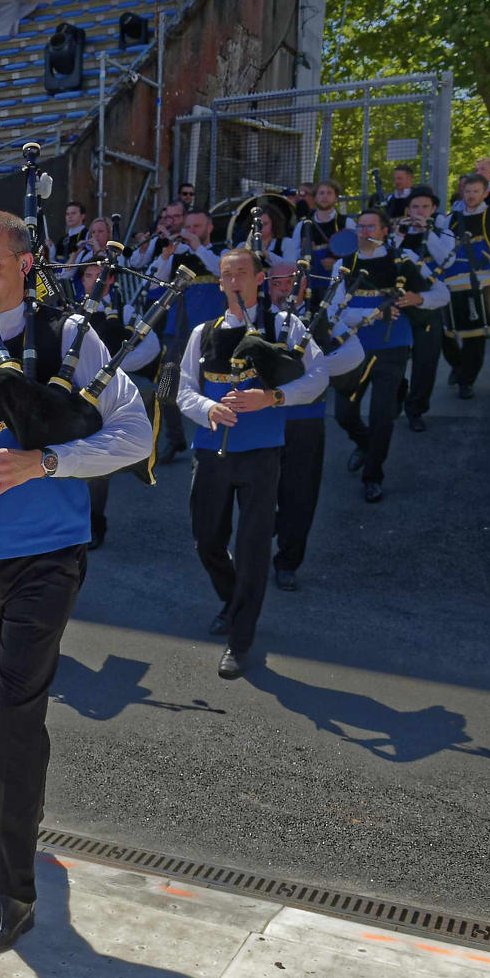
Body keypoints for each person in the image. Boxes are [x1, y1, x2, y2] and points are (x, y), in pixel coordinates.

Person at [0, 210, 152, 957]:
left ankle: (10, 891)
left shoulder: (72, 340)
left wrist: (42, 463)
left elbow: (134, 434)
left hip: (48, 558)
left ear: (22, 265)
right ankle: (22, 795)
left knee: (14, 717)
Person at [177, 248, 328, 678]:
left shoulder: (285, 325)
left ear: (260, 279)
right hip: (211, 452)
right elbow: (183, 388)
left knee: (253, 548)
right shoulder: (203, 332)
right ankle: (233, 599)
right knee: (207, 539)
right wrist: (207, 409)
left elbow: (318, 377)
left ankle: (239, 639)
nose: (235, 280)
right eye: (227, 275)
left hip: (262, 454)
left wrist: (274, 397)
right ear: (221, 282)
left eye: (243, 273)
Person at [326, 209, 450, 502]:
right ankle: (365, 443)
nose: (365, 231)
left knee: (383, 415)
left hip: (393, 345)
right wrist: (372, 313)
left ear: (384, 231)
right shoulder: (344, 264)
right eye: (361, 226)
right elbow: (332, 311)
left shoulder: (402, 258)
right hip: (352, 347)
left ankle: (373, 475)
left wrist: (419, 298)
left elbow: (442, 294)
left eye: (371, 226)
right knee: (343, 413)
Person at [269, 260, 364, 591]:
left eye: (292, 282)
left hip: (305, 420)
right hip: (261, 421)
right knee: (259, 491)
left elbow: (354, 354)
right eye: (278, 282)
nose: (285, 288)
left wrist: (311, 369)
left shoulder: (323, 317)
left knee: (300, 494)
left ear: (304, 285)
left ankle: (288, 560)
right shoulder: (254, 317)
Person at [75, 261, 161, 549]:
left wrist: (114, 369)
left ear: (109, 281)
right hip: (76, 393)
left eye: (99, 276)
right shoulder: (72, 310)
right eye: (88, 275)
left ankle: (95, 524)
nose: (94, 281)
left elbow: (151, 346)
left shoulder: (125, 310)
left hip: (109, 394)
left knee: (97, 463)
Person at [149, 209, 226, 462]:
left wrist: (197, 247)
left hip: (214, 332)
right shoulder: (177, 255)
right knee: (166, 387)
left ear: (209, 228)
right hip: (179, 330)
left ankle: (213, 443)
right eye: (188, 226)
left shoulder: (223, 252)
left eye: (197, 226)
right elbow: (154, 285)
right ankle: (175, 439)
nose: (191, 230)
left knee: (212, 390)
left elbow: (222, 271)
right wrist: (164, 257)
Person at [439, 172, 490, 399]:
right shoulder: (450, 218)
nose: (471, 195)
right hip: (451, 281)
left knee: (475, 334)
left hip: (481, 280)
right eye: (467, 191)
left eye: (475, 191)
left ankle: (466, 381)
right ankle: (459, 365)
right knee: (446, 333)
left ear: (485, 193)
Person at [393, 189, 456, 430]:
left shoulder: (443, 233)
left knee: (425, 363)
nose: (419, 212)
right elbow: (387, 258)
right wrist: (399, 234)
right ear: (408, 210)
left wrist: (427, 232)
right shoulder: (397, 234)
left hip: (429, 305)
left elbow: (446, 260)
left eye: (425, 207)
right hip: (400, 308)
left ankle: (416, 409)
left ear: (432, 211)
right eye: (415, 208)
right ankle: (398, 396)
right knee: (394, 361)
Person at [288, 180, 350, 300]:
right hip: (309, 281)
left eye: (329, 193)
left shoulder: (346, 223)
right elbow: (291, 256)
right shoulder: (302, 225)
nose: (325, 196)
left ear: (336, 197)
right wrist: (303, 252)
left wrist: (336, 263)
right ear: (315, 197)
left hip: (336, 283)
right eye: (321, 193)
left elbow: (354, 254)